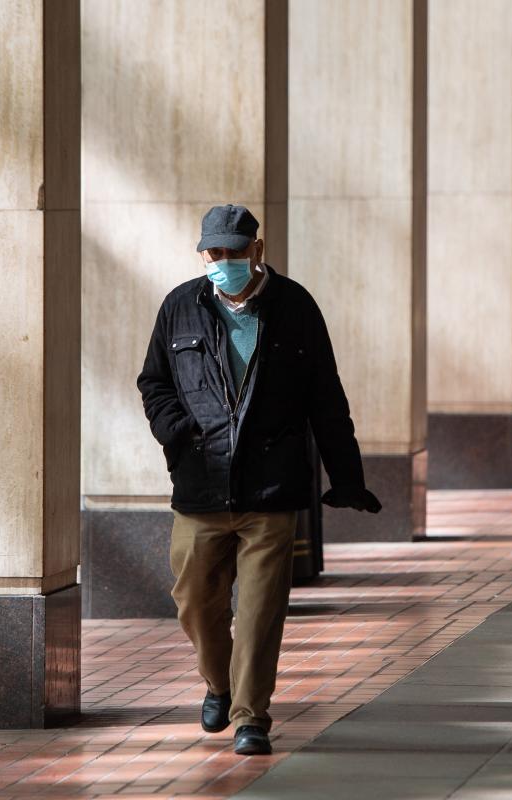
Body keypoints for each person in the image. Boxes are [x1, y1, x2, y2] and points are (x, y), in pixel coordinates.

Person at [138, 205, 381, 756]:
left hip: (272, 488)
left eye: (234, 252)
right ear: (203, 254)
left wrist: (348, 477)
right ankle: (219, 684)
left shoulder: (295, 307)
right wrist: (179, 434)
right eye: (214, 253)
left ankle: (252, 716)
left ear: (258, 250)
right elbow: (154, 382)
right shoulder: (180, 307)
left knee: (260, 610)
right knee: (195, 602)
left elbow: (326, 399)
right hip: (201, 485)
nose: (223, 263)